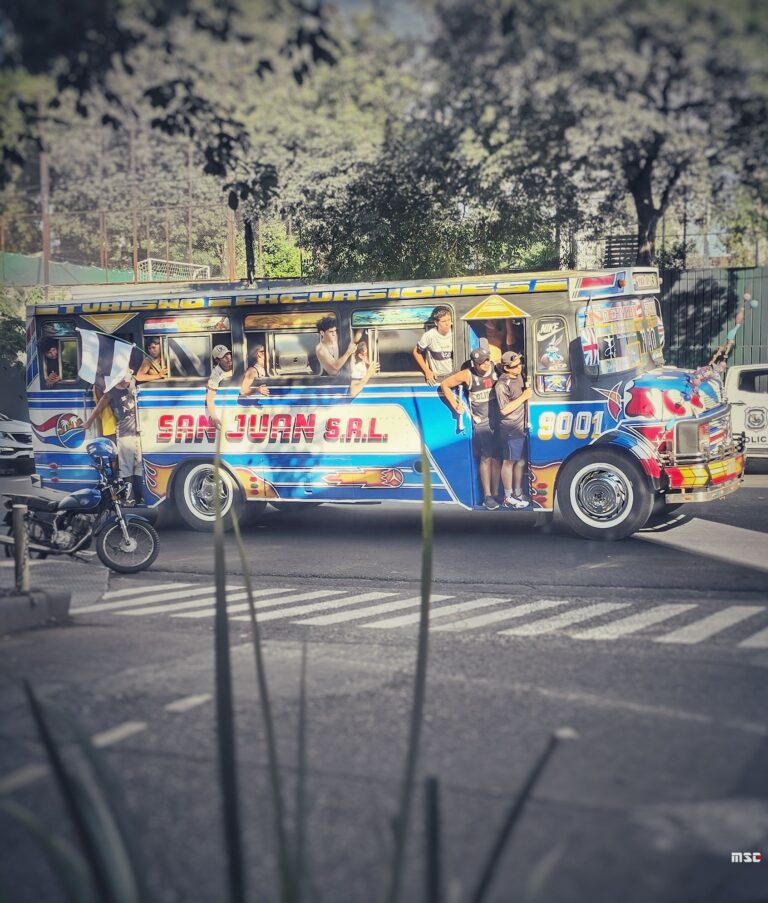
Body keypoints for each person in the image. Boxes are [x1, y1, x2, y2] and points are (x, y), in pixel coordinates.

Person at [440, 347, 502, 510]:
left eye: (488, 360)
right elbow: (445, 384)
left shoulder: (496, 369)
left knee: (497, 459)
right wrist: (455, 405)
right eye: (483, 362)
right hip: (481, 422)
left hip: (498, 421)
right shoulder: (468, 375)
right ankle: (487, 496)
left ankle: (496, 494)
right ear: (475, 364)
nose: (487, 364)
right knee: (485, 459)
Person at [83, 370, 144, 504]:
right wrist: (88, 422)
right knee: (127, 468)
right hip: (124, 433)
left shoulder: (133, 385)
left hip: (139, 432)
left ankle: (140, 496)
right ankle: (129, 499)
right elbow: (99, 408)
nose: (126, 381)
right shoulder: (111, 391)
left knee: (139, 466)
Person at [495, 351, 533, 508]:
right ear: (506, 368)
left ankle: (518, 492)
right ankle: (507, 496)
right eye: (515, 366)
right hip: (510, 427)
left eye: (520, 364)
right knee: (509, 461)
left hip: (522, 425)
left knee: (521, 461)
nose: (519, 367)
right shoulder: (501, 385)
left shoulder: (520, 376)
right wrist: (524, 397)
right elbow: (503, 410)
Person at [413, 306, 454, 385]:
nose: (447, 323)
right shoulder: (429, 336)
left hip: (453, 375)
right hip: (439, 378)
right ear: (436, 323)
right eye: (443, 321)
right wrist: (427, 371)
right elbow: (416, 352)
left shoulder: (455, 333)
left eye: (449, 320)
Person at [206, 344, 233, 429]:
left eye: (228, 354)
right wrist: (214, 417)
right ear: (217, 360)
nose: (228, 358)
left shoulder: (237, 362)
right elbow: (210, 398)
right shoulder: (215, 374)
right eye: (224, 357)